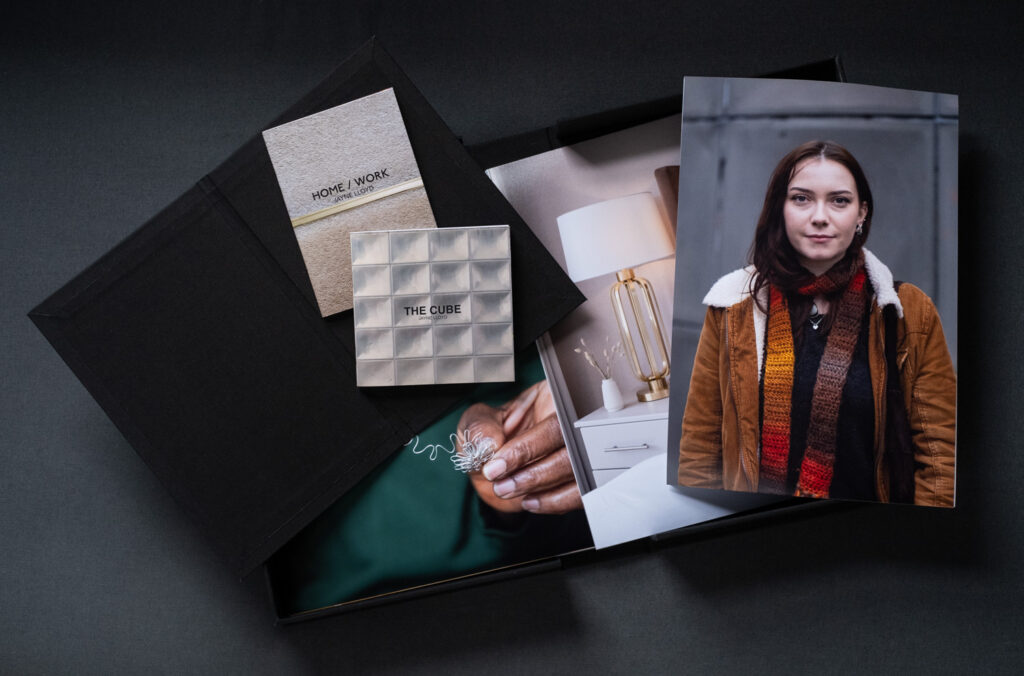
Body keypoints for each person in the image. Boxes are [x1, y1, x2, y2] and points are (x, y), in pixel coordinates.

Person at [677, 140, 956, 506]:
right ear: (780, 209)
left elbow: (940, 457)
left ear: (861, 214)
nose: (820, 216)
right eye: (801, 198)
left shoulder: (907, 310)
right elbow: (700, 447)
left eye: (839, 200)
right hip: (761, 537)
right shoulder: (733, 305)